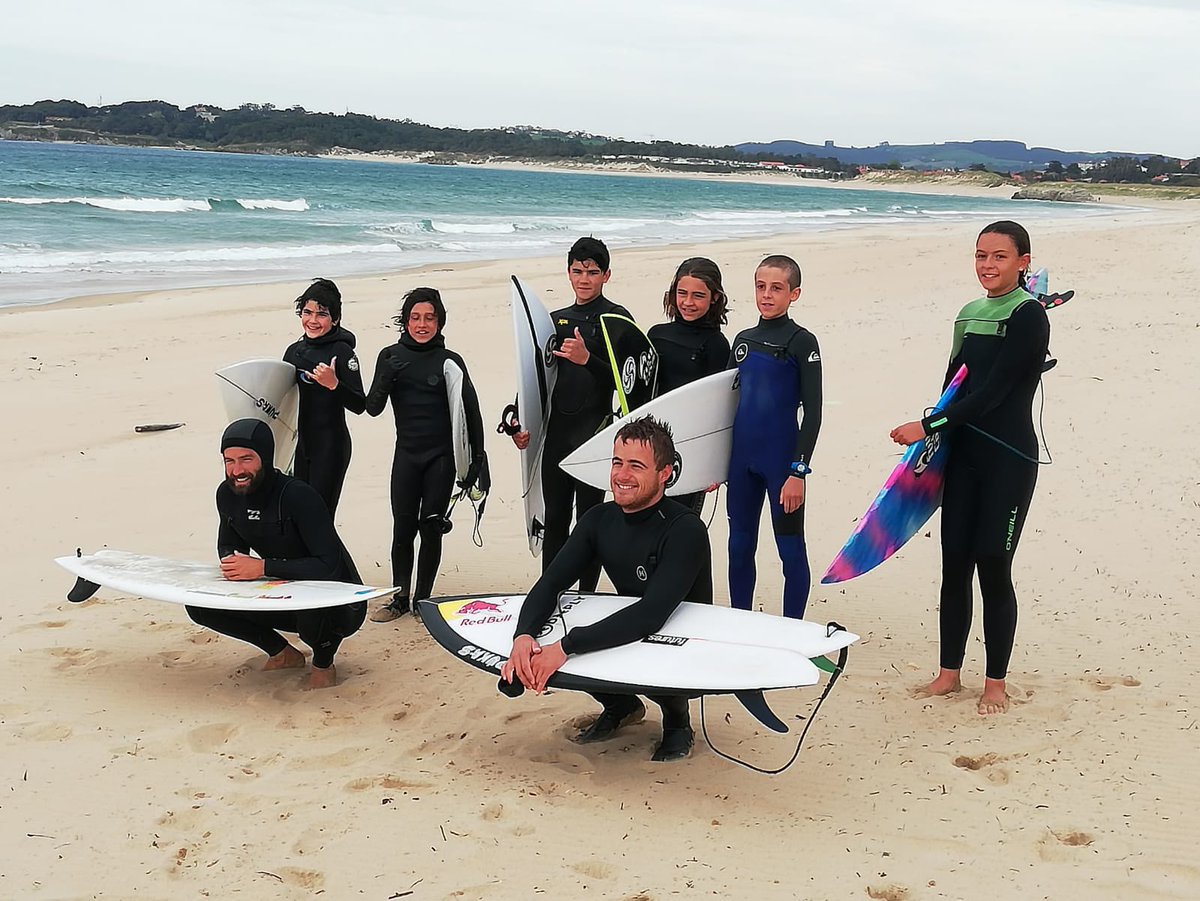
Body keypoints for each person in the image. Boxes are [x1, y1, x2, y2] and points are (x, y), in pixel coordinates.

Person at [890, 221, 1050, 716]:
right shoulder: (968, 313)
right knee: (953, 563)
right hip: (962, 457)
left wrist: (927, 423)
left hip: (1009, 459)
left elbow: (994, 393)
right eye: (981, 255)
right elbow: (954, 386)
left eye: (999, 257)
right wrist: (933, 441)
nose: (987, 265)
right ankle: (948, 673)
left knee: (994, 566)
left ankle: (996, 682)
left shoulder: (1029, 316)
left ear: (1023, 261)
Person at [501, 416, 711, 762]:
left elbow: (653, 613)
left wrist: (565, 647)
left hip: (680, 632)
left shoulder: (684, 530)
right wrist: (524, 636)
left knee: (572, 644)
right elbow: (552, 583)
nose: (622, 476)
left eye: (636, 466)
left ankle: (677, 721)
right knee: (566, 629)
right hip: (635, 618)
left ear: (665, 473)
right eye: (617, 462)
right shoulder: (599, 520)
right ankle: (621, 705)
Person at [186, 418, 367, 689]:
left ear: (266, 457)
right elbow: (228, 543)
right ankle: (282, 653)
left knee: (308, 604)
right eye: (229, 461)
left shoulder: (298, 496)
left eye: (246, 459)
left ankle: (323, 662)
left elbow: (328, 565)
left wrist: (262, 568)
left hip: (338, 604)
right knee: (200, 606)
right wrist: (232, 561)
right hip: (280, 591)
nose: (237, 470)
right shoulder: (227, 494)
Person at [511, 237, 632, 590]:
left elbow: (628, 383)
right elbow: (535, 380)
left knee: (590, 522)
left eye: (592, 272)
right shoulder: (553, 321)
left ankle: (587, 595)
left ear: (606, 275)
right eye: (578, 271)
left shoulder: (617, 320)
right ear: (568, 273)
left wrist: (586, 359)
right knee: (556, 520)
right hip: (558, 439)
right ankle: (550, 592)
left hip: (595, 438)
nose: (584, 279)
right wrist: (519, 419)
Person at [366, 288, 486, 622]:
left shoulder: (449, 361)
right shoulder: (389, 356)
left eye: (429, 318)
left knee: (431, 527)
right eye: (415, 318)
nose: (422, 324)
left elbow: (470, 413)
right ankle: (399, 598)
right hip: (406, 455)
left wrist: (477, 460)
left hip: (441, 458)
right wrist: (388, 377)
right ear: (405, 321)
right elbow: (372, 408)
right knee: (402, 528)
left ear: (440, 321)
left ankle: (423, 600)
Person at [725, 255, 822, 619]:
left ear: (794, 294)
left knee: (790, 548)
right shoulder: (743, 340)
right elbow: (724, 407)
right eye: (760, 286)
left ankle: (792, 629)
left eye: (777, 288)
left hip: (782, 462)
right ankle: (739, 620)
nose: (767, 295)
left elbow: (813, 413)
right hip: (741, 462)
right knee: (738, 545)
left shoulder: (801, 341)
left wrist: (798, 471)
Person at [647, 256, 731, 513]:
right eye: (682, 293)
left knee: (681, 525)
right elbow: (641, 393)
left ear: (714, 298)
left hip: (691, 451)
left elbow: (720, 410)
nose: (688, 302)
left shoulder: (717, 345)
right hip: (652, 446)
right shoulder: (656, 335)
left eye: (698, 295)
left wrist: (714, 464)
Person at [282, 278, 365, 516]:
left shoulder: (341, 352)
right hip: (301, 446)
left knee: (320, 518)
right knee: (299, 517)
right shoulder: (293, 352)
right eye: (307, 312)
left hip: (331, 447)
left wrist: (334, 384)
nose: (313, 320)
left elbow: (360, 404)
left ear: (335, 319)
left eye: (322, 314)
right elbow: (284, 399)